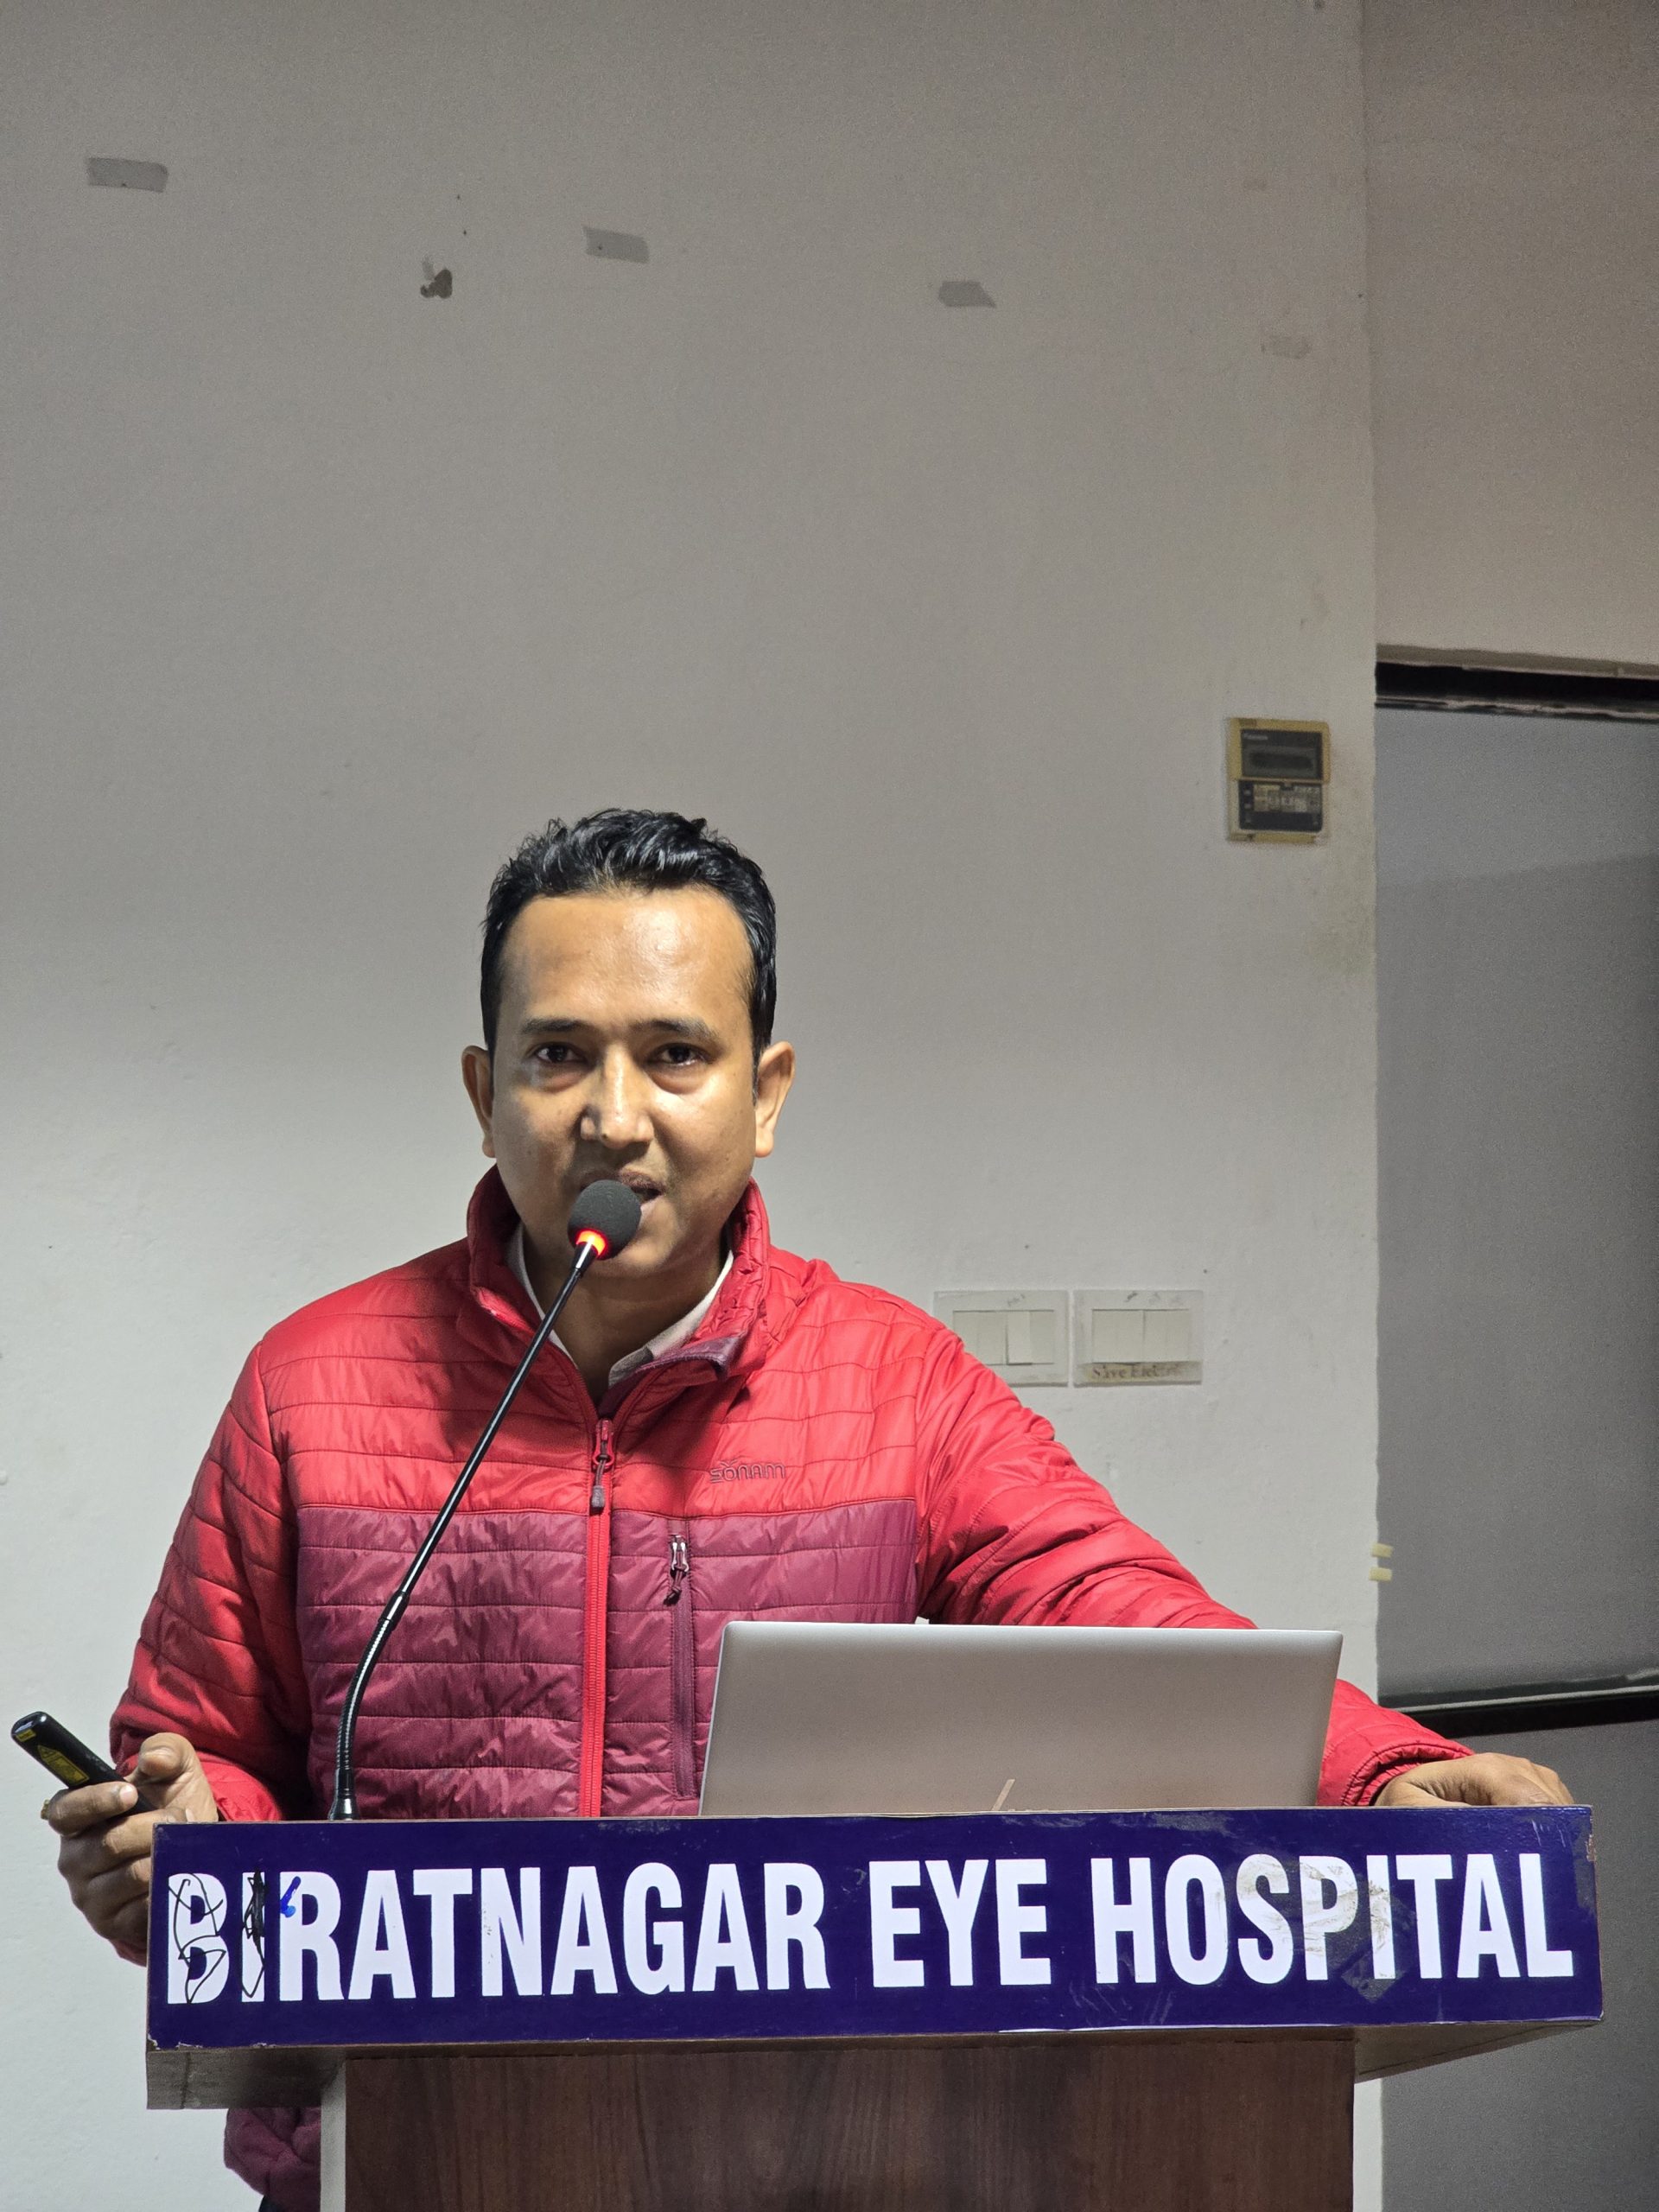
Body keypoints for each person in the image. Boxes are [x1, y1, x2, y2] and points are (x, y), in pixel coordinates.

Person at [46, 808, 1570, 2209]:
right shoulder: (311, 1385)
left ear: (765, 1095)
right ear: (481, 1089)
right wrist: (174, 1839)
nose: (613, 1117)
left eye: (676, 1055)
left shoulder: (894, 1382)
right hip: (408, 2158)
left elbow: (1123, 1615)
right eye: (558, 1056)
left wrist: (1382, 1776)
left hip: (790, 2157)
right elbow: (206, 1747)